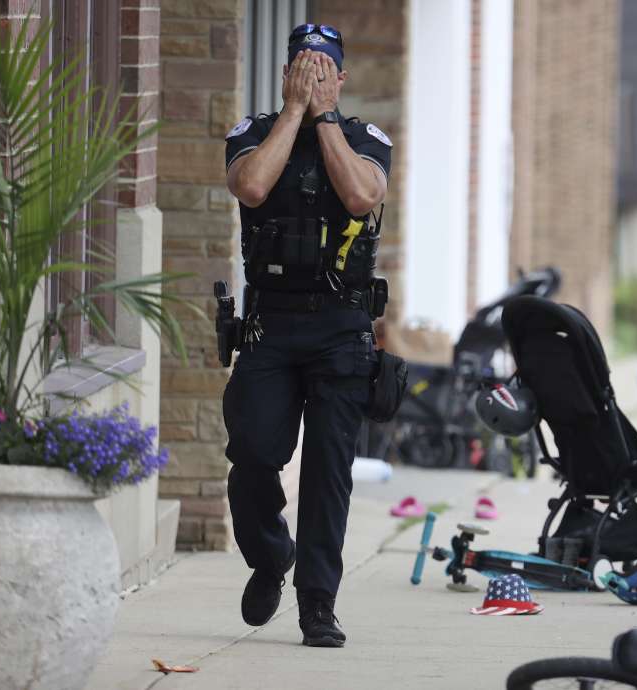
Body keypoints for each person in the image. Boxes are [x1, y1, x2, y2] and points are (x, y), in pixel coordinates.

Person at [221, 23, 392, 648]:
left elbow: (358, 195)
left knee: (328, 472)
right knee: (253, 455)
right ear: (287, 72)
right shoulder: (253, 133)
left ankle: (318, 604)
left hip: (341, 328)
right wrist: (294, 112)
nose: (314, 74)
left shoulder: (364, 139)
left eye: (325, 68)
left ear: (342, 78)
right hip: (271, 324)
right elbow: (252, 186)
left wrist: (322, 118)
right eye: (303, 65)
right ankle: (271, 558)